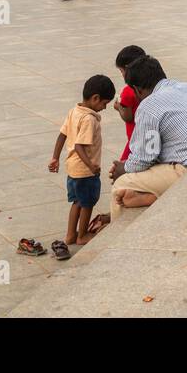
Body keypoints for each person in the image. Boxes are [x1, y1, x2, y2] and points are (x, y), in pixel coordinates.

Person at [111, 55, 187, 217]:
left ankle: (121, 239)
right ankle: (157, 195)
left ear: (137, 89)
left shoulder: (149, 106)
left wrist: (124, 168)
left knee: (121, 186)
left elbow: (145, 158)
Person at [47, 75, 115, 257]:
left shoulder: (74, 111)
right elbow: (79, 146)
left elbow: (62, 135)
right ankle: (82, 235)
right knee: (87, 203)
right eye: (104, 103)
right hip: (85, 171)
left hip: (72, 169)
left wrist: (55, 157)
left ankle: (70, 235)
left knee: (77, 202)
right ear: (95, 98)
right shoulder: (89, 119)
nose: (105, 108)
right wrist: (92, 166)